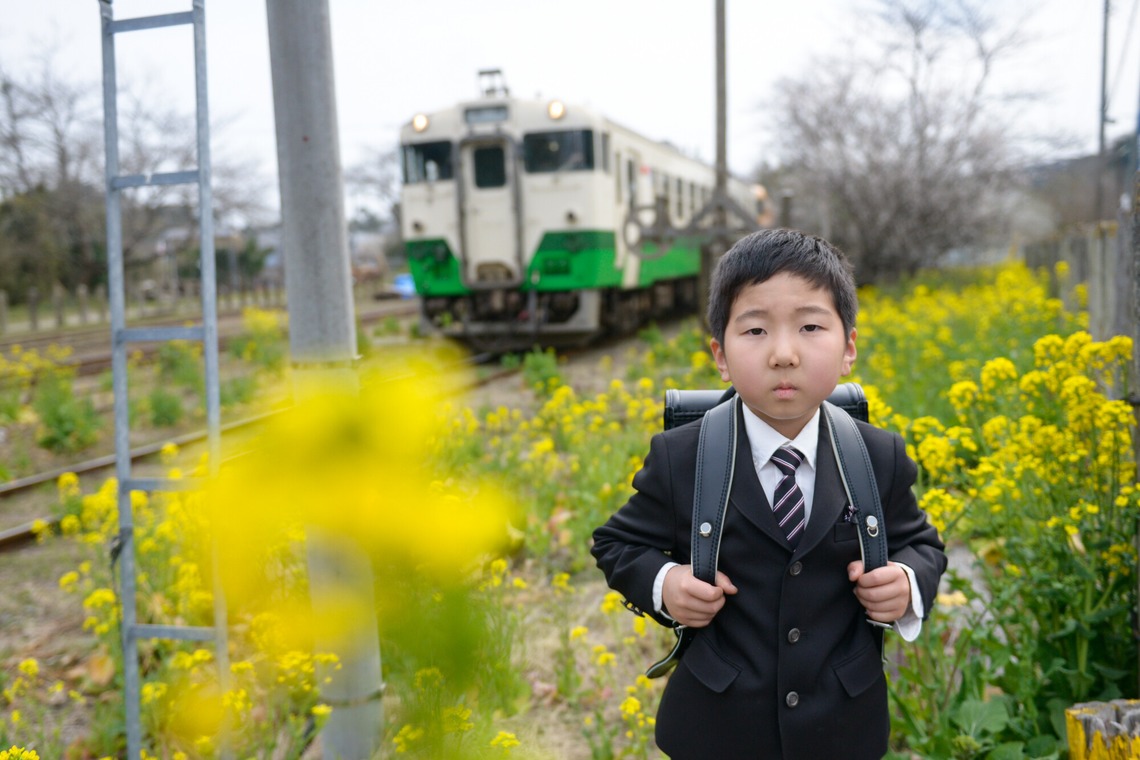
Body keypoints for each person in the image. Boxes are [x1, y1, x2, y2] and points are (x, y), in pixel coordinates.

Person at [591, 228, 947, 759]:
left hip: (842, 726)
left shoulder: (878, 456)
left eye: (809, 326)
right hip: (715, 728)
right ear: (721, 355)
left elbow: (921, 545)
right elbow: (616, 543)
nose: (783, 353)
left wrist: (907, 585)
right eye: (755, 330)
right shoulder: (682, 457)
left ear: (848, 348)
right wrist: (666, 585)